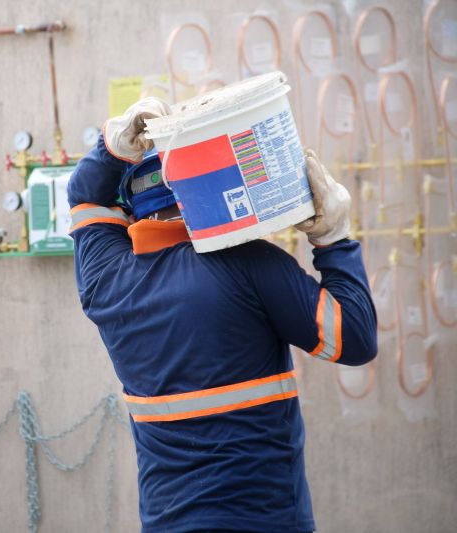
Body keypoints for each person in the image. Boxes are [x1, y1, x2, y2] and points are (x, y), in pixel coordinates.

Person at [67, 97, 377, 532]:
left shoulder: (106, 283)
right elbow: (356, 338)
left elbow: (84, 197)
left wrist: (112, 145)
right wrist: (335, 239)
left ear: (132, 207)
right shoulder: (251, 265)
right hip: (265, 521)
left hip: (165, 523)